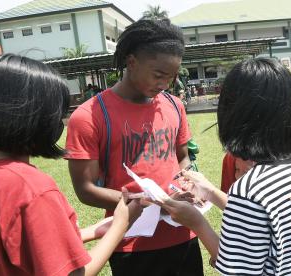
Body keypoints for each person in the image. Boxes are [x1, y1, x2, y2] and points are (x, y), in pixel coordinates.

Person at [161, 58, 291, 275]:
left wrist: (197, 223)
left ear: (233, 113)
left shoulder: (249, 190)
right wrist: (209, 190)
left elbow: (236, 270)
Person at [0, 54, 142, 275]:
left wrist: (96, 229)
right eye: (56, 113)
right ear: (30, 116)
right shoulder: (32, 188)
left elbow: (25, 243)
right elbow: (74, 273)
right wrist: (121, 226)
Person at [65, 19, 203, 276]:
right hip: (131, 242)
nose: (165, 84)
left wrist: (187, 181)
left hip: (182, 232)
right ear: (131, 62)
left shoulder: (174, 105)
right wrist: (155, 203)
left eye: (172, 77)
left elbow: (182, 157)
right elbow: (86, 190)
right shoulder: (90, 117)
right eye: (159, 75)